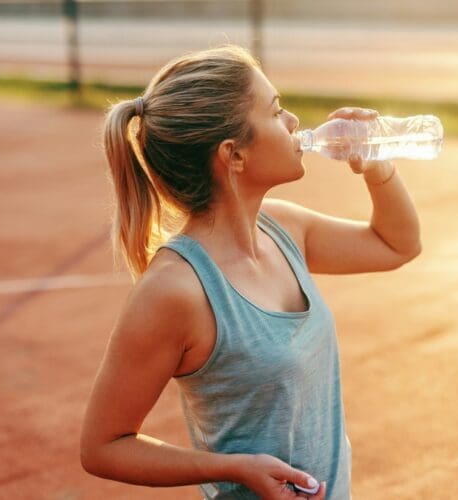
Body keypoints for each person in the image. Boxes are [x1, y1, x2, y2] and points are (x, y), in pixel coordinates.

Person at [80, 45, 421, 500]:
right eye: (276, 111)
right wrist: (235, 469)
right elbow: (103, 446)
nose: (294, 122)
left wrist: (377, 165)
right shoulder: (176, 290)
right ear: (234, 155)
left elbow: (396, 244)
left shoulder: (284, 229)